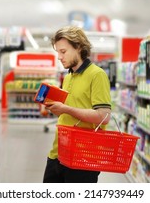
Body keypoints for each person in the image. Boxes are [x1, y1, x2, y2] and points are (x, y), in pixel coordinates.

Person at [43, 26, 112, 183]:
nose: (59, 57)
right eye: (58, 52)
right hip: (57, 153)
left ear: (79, 47)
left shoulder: (97, 75)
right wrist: (56, 108)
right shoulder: (68, 77)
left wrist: (66, 108)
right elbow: (69, 114)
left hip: (83, 159)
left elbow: (104, 116)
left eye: (63, 51)